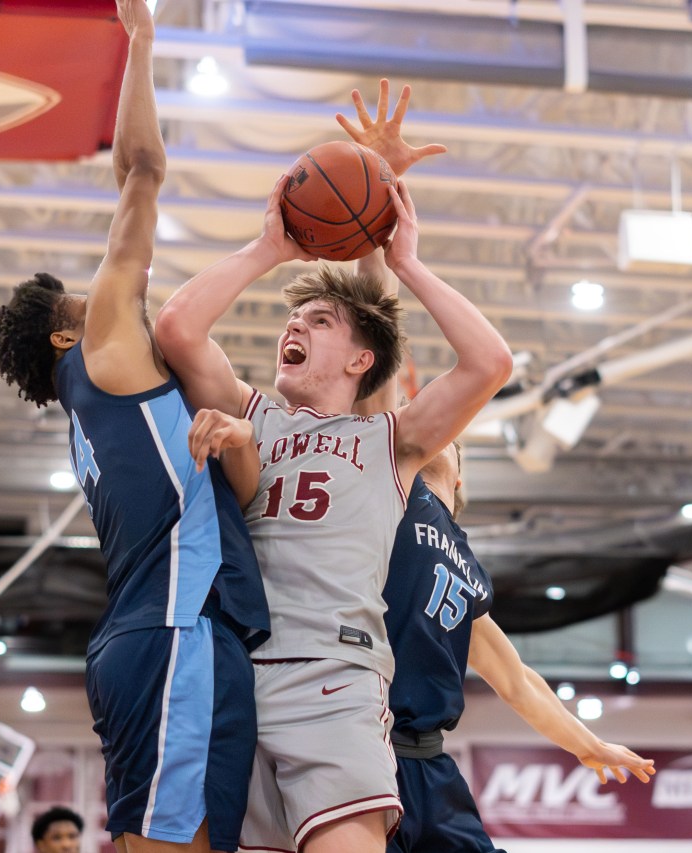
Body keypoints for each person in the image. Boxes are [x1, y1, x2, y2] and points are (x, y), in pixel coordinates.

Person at [156, 83, 514, 853]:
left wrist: (404, 260)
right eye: (295, 317)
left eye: (319, 320)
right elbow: (179, 327)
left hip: (336, 682)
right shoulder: (253, 413)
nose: (296, 322)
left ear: (360, 358)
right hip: (240, 684)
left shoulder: (394, 440)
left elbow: (490, 361)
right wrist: (269, 249)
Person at [0, 3, 269, 852]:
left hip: (164, 633)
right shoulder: (105, 347)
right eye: (82, 292)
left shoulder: (96, 409)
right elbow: (141, 168)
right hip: (172, 630)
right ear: (66, 333)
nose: (100, 288)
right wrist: (142, 42)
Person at [382, 441, 656, 853]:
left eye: (454, 440)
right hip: (370, 746)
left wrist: (589, 746)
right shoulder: (393, 489)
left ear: (460, 478)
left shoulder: (464, 562)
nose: (444, 433)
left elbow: (517, 681)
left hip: (429, 762)